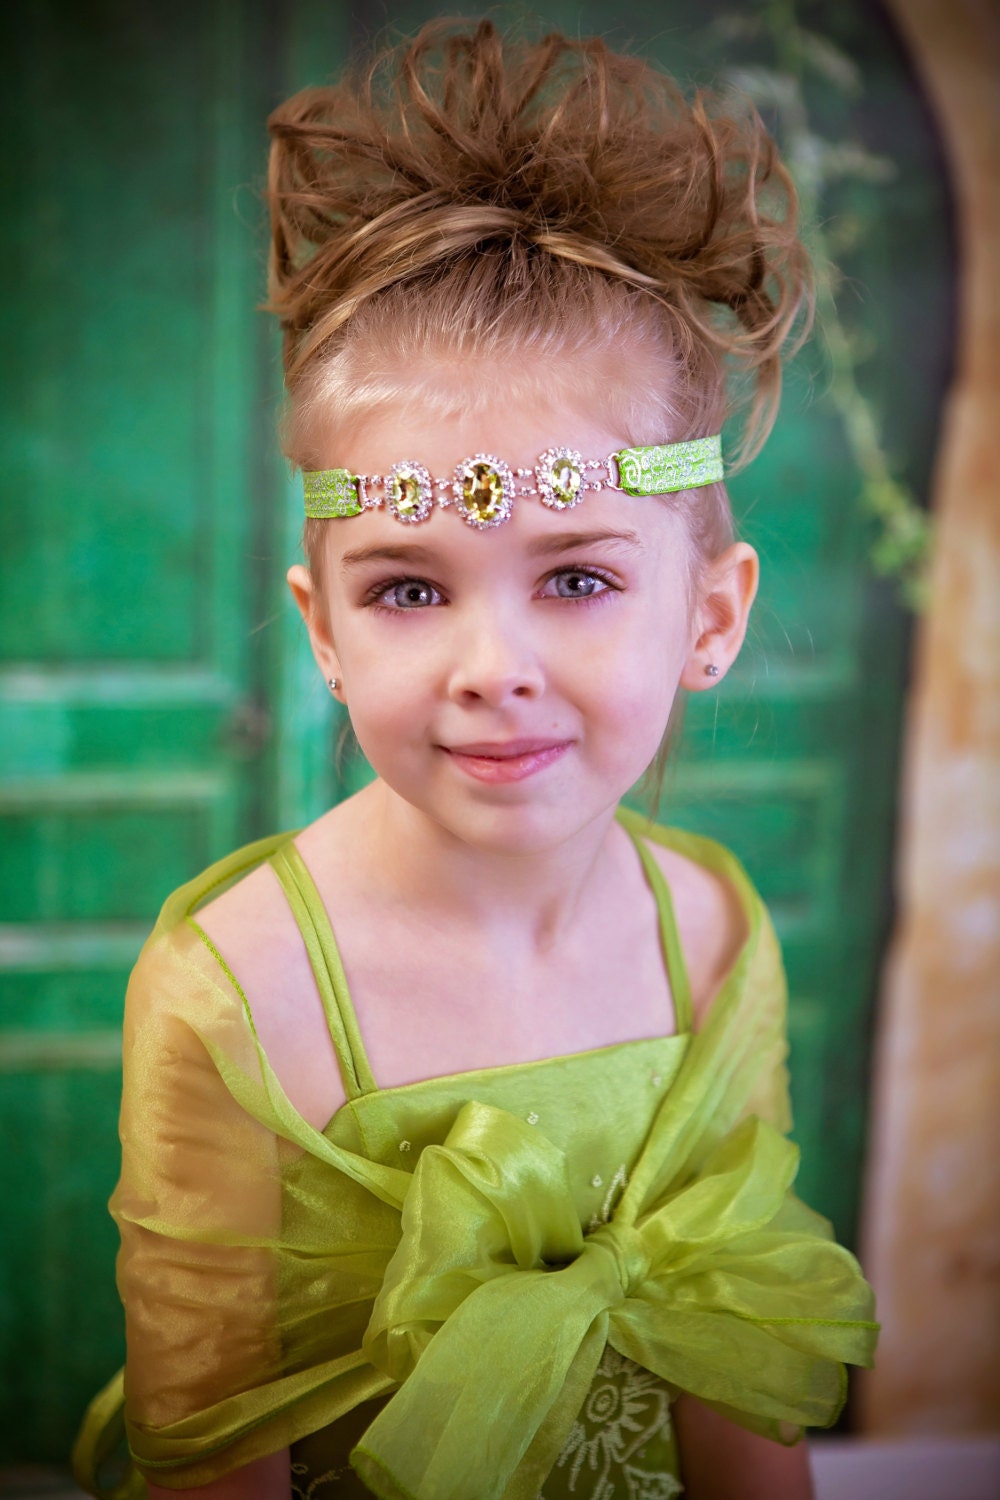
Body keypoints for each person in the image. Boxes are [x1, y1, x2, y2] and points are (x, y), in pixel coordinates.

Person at [74, 19, 878, 1500]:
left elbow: (740, 1383)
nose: (489, 662)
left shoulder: (711, 934)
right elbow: (214, 1457)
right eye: (409, 588)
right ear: (323, 631)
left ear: (710, 614)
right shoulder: (240, 991)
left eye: (575, 579)